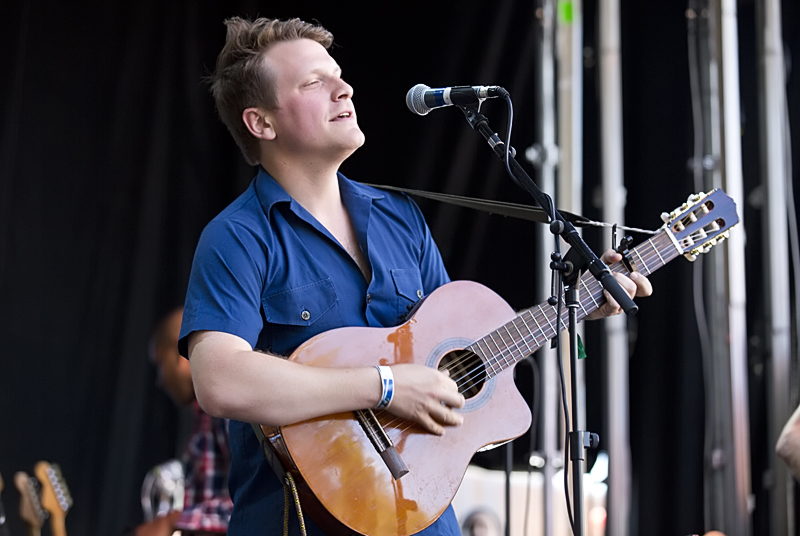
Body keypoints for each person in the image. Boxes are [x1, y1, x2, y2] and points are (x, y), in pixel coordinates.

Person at [178, 16, 652, 536]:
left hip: (423, 513)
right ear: (261, 123)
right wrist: (383, 387)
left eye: (339, 75)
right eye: (314, 82)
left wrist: (575, 302)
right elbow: (218, 380)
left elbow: (458, 359)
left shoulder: (400, 219)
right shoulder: (238, 236)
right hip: (301, 521)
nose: (344, 89)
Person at [137, 307, 233, 536]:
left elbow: (258, 499)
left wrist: (171, 523)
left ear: (180, 351)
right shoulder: (203, 413)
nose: (160, 380)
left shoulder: (226, 400)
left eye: (160, 363)